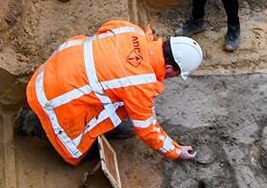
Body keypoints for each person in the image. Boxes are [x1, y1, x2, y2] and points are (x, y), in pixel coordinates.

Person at [15, 20, 204, 167]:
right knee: (85, 149)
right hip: (54, 99)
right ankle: (30, 122)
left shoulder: (132, 30)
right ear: (170, 68)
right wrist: (176, 152)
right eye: (177, 74)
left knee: (120, 106)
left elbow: (102, 33)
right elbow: (146, 129)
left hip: (50, 72)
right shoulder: (141, 84)